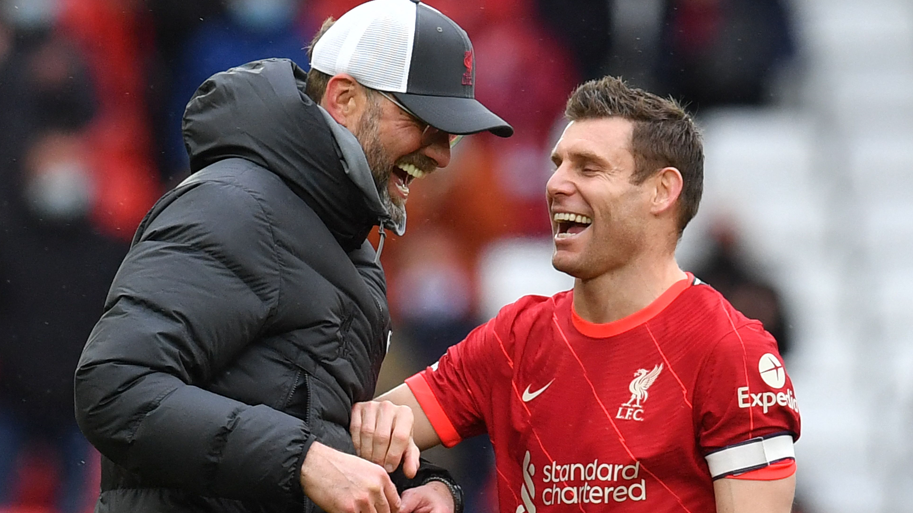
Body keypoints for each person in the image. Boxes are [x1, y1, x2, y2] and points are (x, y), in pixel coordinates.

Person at [73, 1, 512, 512]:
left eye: (451, 134)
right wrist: (306, 460)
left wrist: (421, 487)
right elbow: (114, 387)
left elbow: (306, 433)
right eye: (424, 122)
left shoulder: (345, 243)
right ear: (344, 99)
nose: (441, 154)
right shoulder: (234, 205)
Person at [350, 76, 801, 512]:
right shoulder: (515, 338)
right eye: (558, 164)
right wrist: (438, 484)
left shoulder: (730, 351)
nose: (556, 185)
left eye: (588, 167)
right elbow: (366, 430)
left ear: (663, 191)